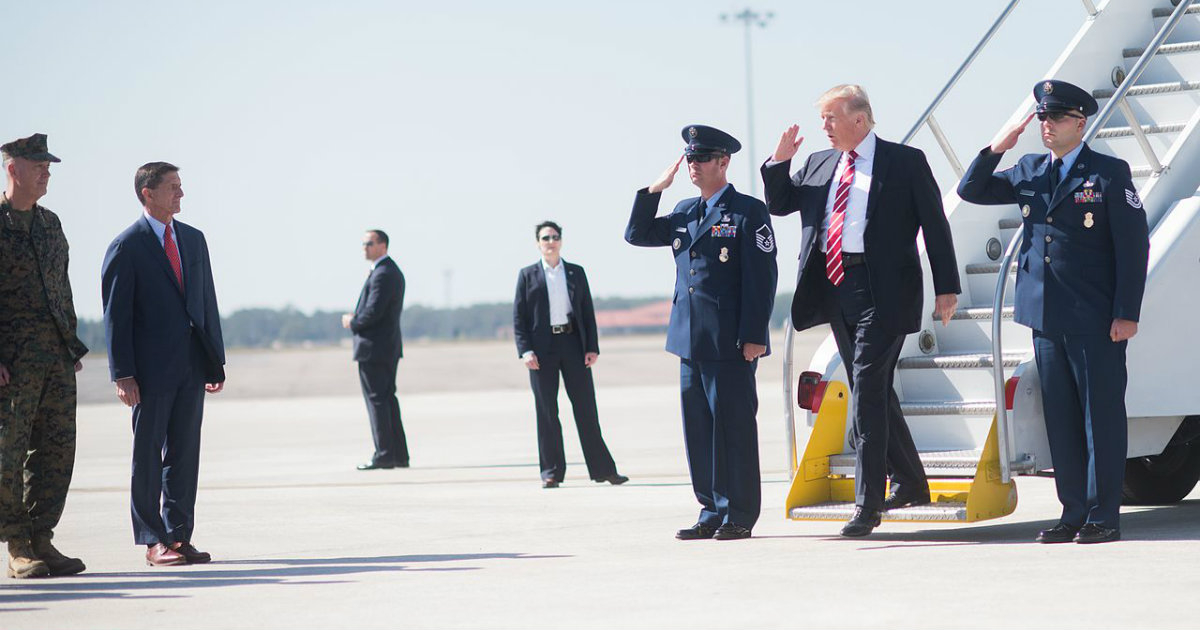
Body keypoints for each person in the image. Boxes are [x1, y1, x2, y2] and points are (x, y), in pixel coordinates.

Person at [761, 85, 961, 537]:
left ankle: (867, 503)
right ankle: (911, 482)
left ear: (860, 118)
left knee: (867, 390)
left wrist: (947, 288)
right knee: (872, 389)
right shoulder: (818, 162)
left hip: (885, 292)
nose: (824, 128)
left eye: (831, 118)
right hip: (836, 288)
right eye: (823, 120)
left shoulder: (904, 162)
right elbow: (780, 204)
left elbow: (934, 225)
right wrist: (778, 164)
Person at [958, 80, 1148, 544]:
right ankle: (1073, 513)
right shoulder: (1027, 170)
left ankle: (1104, 516)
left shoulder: (1107, 173)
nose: (1047, 125)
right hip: (1044, 317)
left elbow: (1132, 247)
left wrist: (1126, 312)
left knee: (1099, 417)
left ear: (1080, 124)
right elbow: (972, 189)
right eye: (1043, 118)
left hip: (1095, 317)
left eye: (1057, 118)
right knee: (1061, 419)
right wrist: (996, 147)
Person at [626, 125, 777, 541]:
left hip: (730, 341)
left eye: (702, 158)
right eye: (689, 158)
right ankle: (710, 508)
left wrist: (754, 335)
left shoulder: (748, 212)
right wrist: (654, 190)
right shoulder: (684, 211)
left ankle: (740, 513)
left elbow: (761, 279)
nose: (693, 165)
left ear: (723, 162)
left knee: (734, 428)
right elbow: (636, 234)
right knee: (699, 430)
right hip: (689, 340)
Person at [101, 162, 226, 566]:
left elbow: (206, 303)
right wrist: (123, 373)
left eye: (181, 186)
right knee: (148, 455)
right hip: (150, 372)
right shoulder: (127, 246)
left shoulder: (193, 240)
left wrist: (214, 362)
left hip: (191, 365)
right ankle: (153, 539)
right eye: (172, 187)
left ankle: (178, 535)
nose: (181, 194)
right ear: (147, 193)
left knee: (185, 454)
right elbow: (116, 316)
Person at [0, 134, 88, 578]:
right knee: (7, 455)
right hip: (11, 363)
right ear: (12, 168)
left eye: (49, 165)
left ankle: (41, 538)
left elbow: (62, 288)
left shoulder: (51, 224)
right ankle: (17, 545)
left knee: (55, 451)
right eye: (38, 164)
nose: (46, 171)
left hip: (54, 357)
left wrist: (69, 343)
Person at [513, 221, 628, 489]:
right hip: (541, 350)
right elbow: (519, 318)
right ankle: (551, 472)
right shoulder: (527, 275)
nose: (550, 241)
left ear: (561, 240)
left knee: (586, 409)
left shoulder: (576, 272)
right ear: (538, 243)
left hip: (573, 344)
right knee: (547, 412)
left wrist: (592, 347)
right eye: (545, 237)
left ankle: (603, 470)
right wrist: (525, 350)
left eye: (554, 236)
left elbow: (587, 311)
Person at [342, 230, 408, 471]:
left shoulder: (383, 274)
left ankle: (385, 454)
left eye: (369, 243)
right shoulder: (386, 271)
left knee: (378, 401)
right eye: (363, 244)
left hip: (375, 349)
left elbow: (373, 312)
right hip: (385, 348)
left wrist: (353, 321)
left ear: (383, 245)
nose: (365, 248)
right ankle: (398, 454)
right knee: (387, 399)